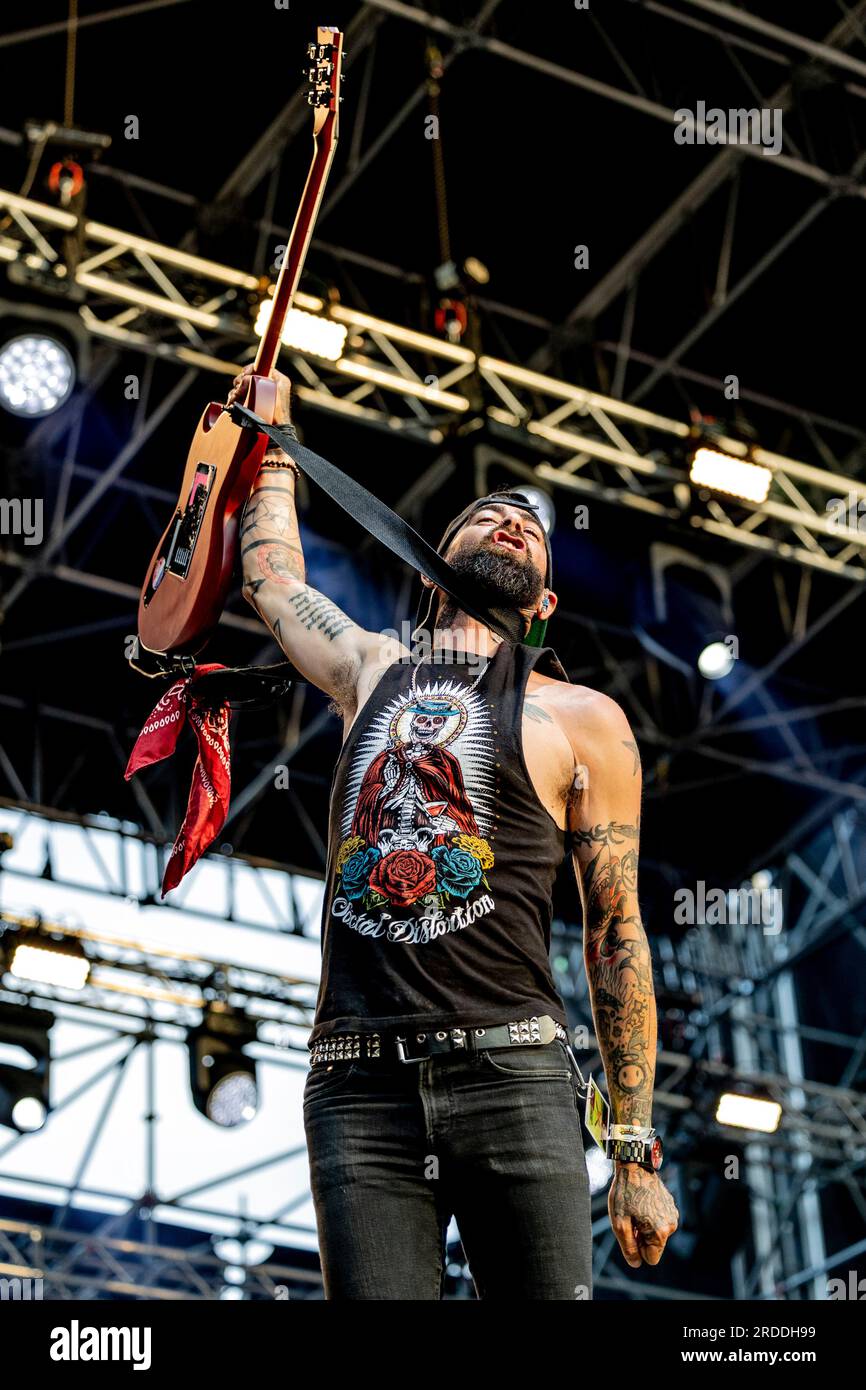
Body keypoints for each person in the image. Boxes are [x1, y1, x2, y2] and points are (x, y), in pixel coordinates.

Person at [229, 363, 679, 1300]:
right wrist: (267, 442)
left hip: (514, 1075)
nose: (513, 522)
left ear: (544, 603)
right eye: (488, 516)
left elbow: (616, 930)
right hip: (359, 1088)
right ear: (438, 560)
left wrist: (634, 1148)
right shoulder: (369, 668)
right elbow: (271, 579)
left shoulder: (585, 719)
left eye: (532, 529)